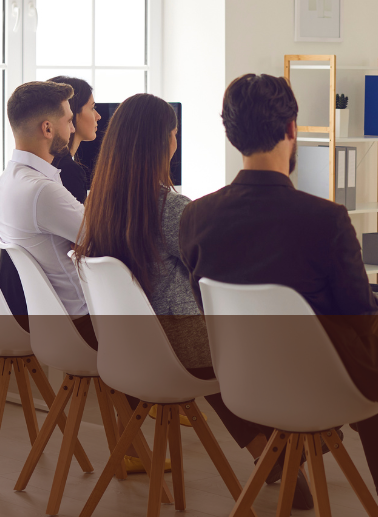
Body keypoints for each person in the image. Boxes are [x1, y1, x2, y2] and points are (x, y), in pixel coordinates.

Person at [178, 74, 378, 517]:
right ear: (292, 129)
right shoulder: (325, 219)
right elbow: (360, 317)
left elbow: (208, 310)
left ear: (231, 134)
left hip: (244, 387)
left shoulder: (195, 217)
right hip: (323, 389)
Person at [74, 94, 280, 484]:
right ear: (163, 142)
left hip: (130, 349)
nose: (176, 142)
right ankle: (287, 448)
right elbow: (216, 272)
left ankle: (277, 456)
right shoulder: (171, 207)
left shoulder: (99, 206)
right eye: (174, 134)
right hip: (179, 347)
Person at [0, 81, 94, 343]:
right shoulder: (42, 191)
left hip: (49, 319)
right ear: (47, 128)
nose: (72, 128)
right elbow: (103, 237)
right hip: (80, 325)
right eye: (69, 120)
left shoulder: (6, 183)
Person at [47, 75, 100, 203]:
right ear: (71, 112)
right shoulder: (69, 172)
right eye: (92, 108)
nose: (98, 116)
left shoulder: (51, 164)